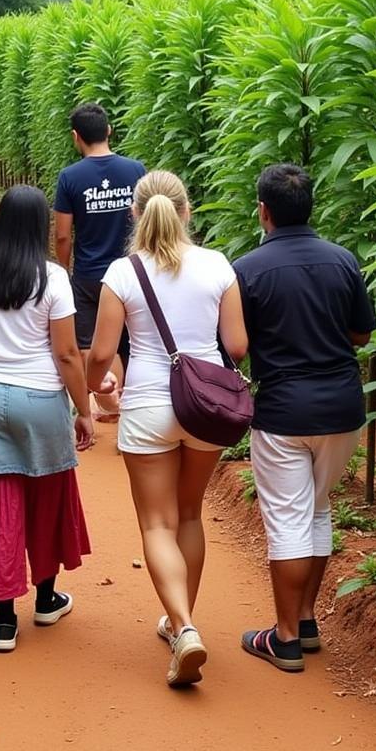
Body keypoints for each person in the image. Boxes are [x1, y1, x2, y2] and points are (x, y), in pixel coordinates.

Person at [87, 171, 248, 688]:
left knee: (156, 524)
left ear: (133, 214)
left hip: (150, 405)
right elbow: (238, 347)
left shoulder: (123, 272)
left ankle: (183, 626)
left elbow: (103, 355)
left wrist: (99, 388)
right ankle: (182, 622)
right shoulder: (217, 265)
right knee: (189, 515)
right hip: (204, 407)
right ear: (187, 211)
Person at [232, 163, 375, 673]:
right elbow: (362, 334)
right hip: (342, 407)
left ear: (263, 211)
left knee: (287, 520)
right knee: (316, 509)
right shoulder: (343, 261)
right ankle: (308, 620)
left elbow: (237, 346)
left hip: (284, 412)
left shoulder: (247, 269)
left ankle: (286, 637)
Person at [0, 185, 94, 653]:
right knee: (45, 498)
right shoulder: (53, 278)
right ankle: (47, 600)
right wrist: (85, 409)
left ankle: (5, 621)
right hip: (41, 399)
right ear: (39, 227)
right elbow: (67, 353)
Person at [54, 102, 145, 420]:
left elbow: (63, 235)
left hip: (89, 274)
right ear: (109, 130)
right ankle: (128, 402)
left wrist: (64, 272)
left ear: (75, 136)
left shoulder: (69, 177)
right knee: (129, 341)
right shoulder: (136, 171)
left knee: (89, 342)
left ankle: (111, 402)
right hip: (132, 272)